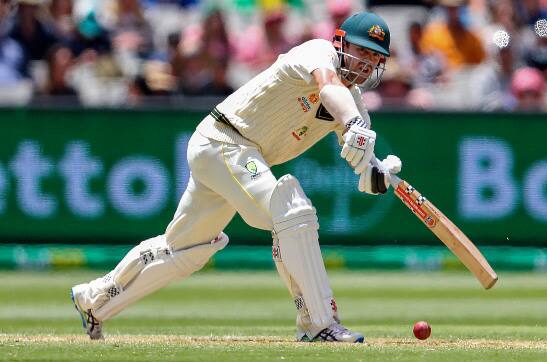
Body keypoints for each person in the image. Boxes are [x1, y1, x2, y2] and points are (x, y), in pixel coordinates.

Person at [71, 12, 402, 343]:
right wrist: (355, 125)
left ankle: (94, 299)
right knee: (290, 211)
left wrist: (376, 172)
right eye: (362, 51)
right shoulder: (317, 53)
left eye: (374, 58)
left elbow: (361, 161)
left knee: (185, 250)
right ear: (341, 43)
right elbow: (331, 90)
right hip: (227, 141)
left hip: (227, 150)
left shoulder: (354, 103)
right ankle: (318, 323)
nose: (365, 64)